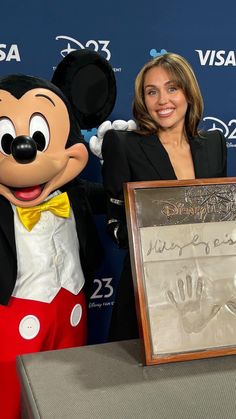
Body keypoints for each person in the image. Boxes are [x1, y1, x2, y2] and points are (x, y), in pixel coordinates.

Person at [99, 52, 227, 342]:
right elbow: (115, 226)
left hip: (205, 287)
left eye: (172, 88)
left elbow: (221, 218)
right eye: (151, 92)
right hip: (149, 288)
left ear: (188, 92)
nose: (162, 101)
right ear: (142, 99)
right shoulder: (122, 145)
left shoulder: (214, 144)